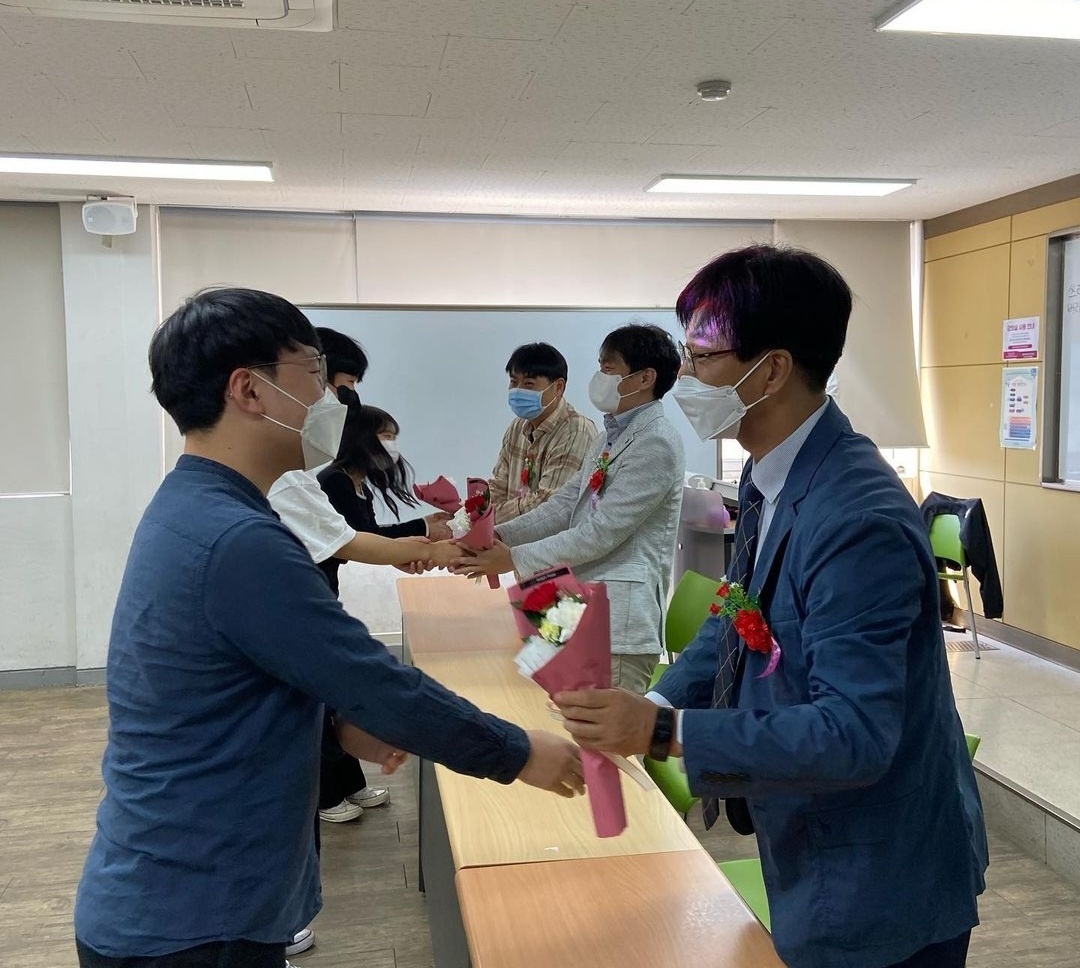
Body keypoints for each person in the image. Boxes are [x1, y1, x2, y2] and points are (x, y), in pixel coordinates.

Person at [73, 288, 584, 968]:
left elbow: (237, 682)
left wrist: (336, 725)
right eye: (315, 374)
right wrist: (519, 752)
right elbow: (375, 683)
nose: (332, 402)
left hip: (178, 889)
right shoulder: (239, 540)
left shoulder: (192, 506)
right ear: (249, 390)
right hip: (196, 914)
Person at [553, 246, 988, 968]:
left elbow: (853, 734)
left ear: (773, 369)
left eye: (702, 357)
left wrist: (662, 731)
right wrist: (652, 702)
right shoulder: (770, 476)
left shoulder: (856, 517)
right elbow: (734, 618)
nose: (686, 377)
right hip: (812, 843)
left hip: (880, 875)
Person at [454, 323, 685, 695]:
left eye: (609, 368)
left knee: (602, 730)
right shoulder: (610, 436)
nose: (599, 376)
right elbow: (564, 505)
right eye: (600, 366)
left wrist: (512, 558)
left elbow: (600, 532)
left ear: (645, 378)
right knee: (541, 702)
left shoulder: (655, 443)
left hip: (618, 625)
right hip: (574, 605)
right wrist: (497, 535)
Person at [488, 342, 598, 523]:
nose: (518, 391)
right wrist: (472, 515)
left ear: (558, 387)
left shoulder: (576, 431)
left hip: (551, 538)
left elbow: (547, 505)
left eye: (529, 384)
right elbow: (498, 486)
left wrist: (489, 517)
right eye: (513, 382)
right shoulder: (517, 426)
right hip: (506, 533)